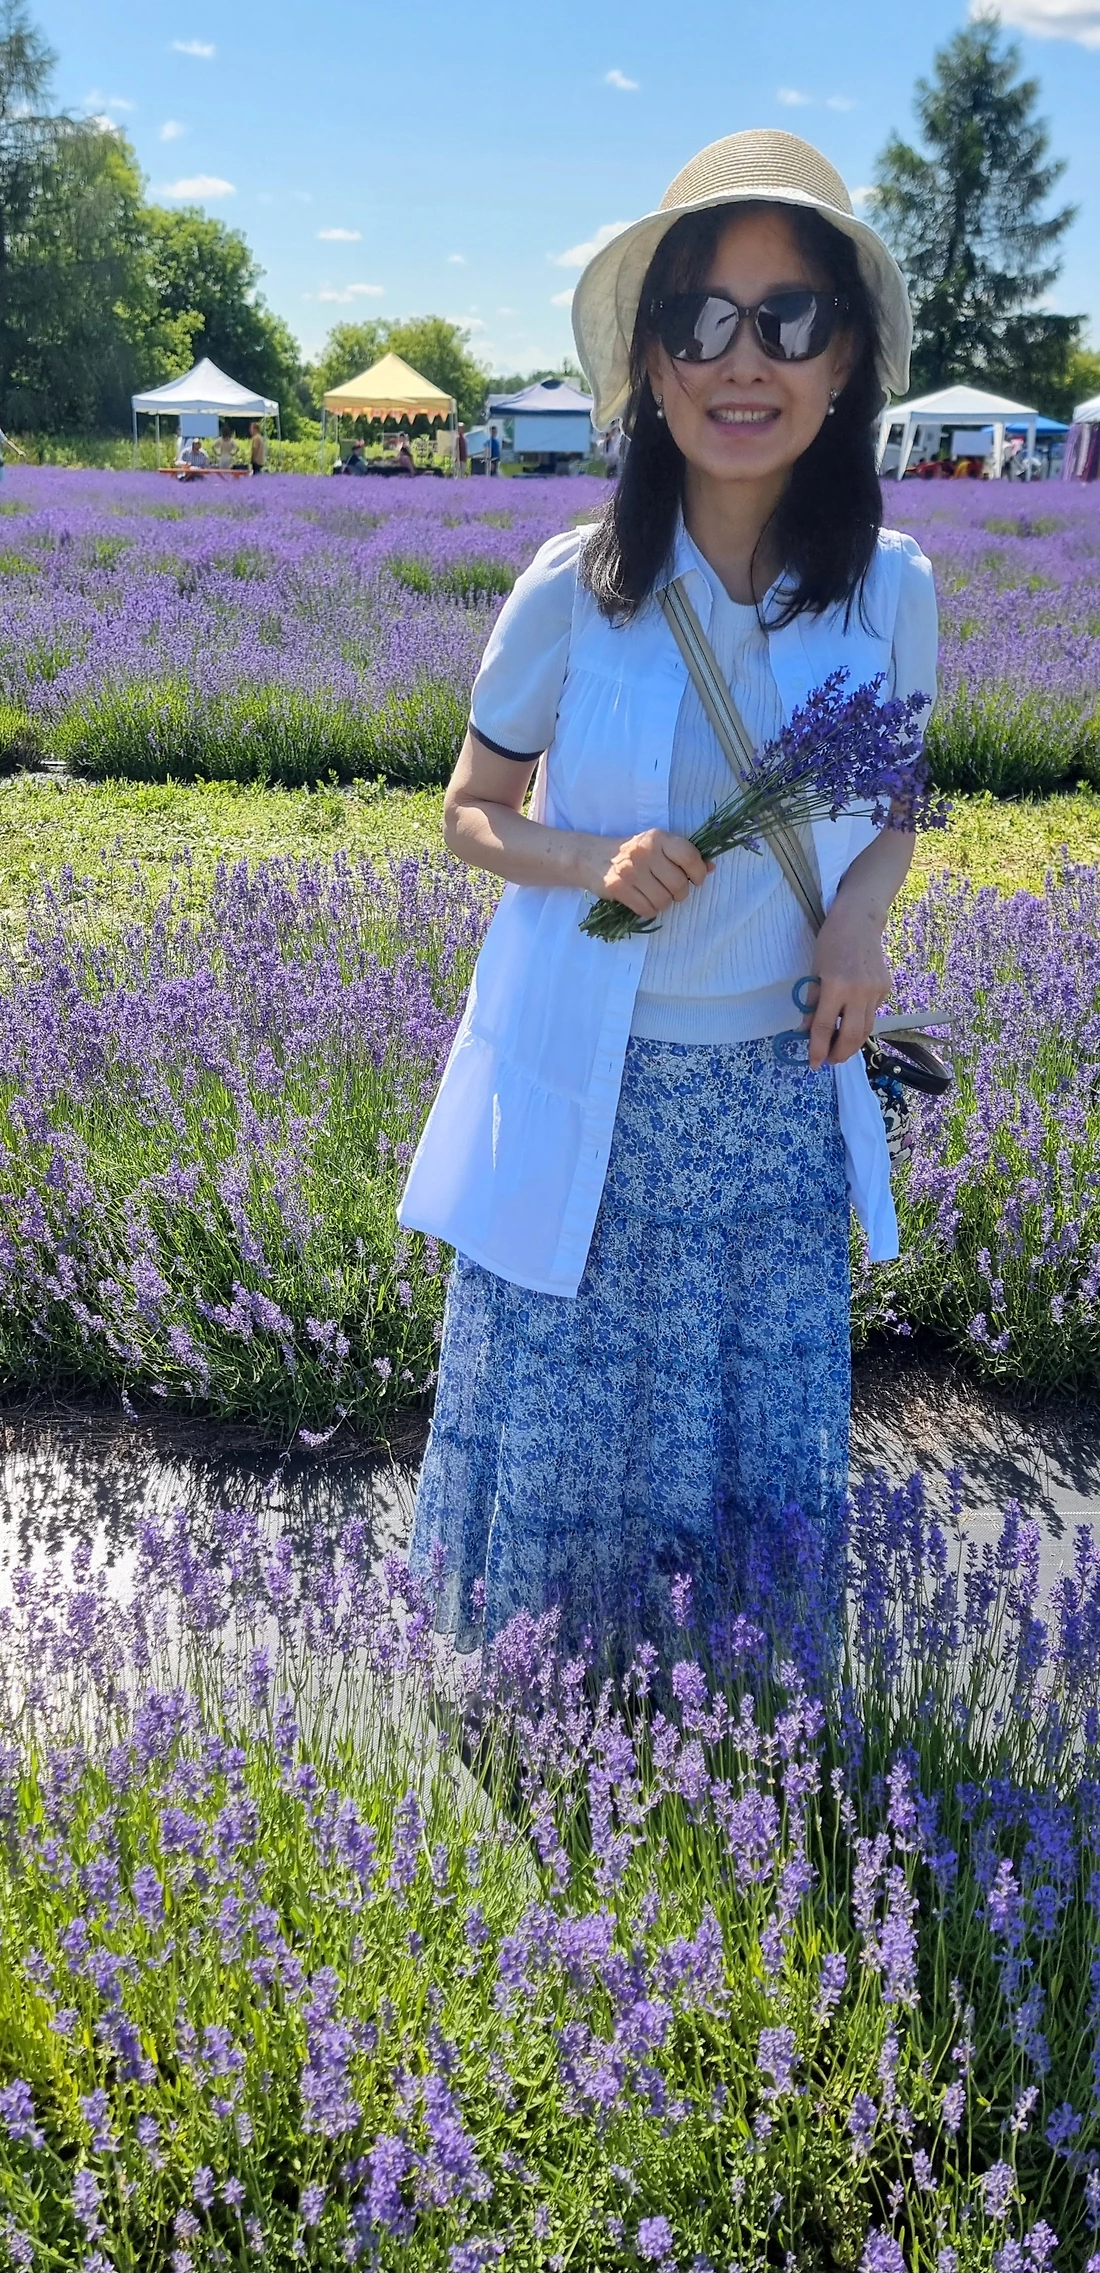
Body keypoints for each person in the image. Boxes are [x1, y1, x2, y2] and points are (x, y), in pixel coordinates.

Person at [398, 129, 938, 1660]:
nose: (743, 360)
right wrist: (592, 859)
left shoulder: (892, 591)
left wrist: (860, 916)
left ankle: (735, 1715)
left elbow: (893, 806)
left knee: (747, 1429)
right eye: (702, 320)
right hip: (598, 1086)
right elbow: (470, 813)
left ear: (845, 361)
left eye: (789, 318)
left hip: (774, 1098)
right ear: (650, 363)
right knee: (573, 1425)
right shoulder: (578, 586)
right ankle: (544, 1704)